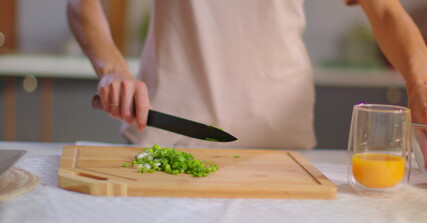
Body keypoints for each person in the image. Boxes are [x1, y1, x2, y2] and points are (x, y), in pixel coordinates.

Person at [67, 0, 427, 149]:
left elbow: (385, 12)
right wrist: (113, 71)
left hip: (280, 148)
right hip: (164, 136)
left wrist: (420, 85)